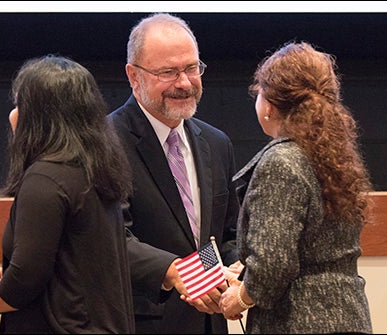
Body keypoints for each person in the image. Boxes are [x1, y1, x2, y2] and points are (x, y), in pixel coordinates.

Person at [0, 54, 138, 334]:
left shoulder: (44, 178)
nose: (14, 114)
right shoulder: (95, 172)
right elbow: (77, 267)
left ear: (38, 116)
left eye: (19, 104)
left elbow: (27, 279)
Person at [218, 41, 374, 334]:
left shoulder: (281, 161)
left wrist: (239, 297)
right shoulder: (333, 157)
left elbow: (274, 264)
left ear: (269, 106)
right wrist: (249, 269)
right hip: (350, 316)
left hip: (298, 320)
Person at [108, 13, 240, 334]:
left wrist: (235, 272)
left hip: (212, 322)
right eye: (168, 72)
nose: (184, 83)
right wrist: (177, 272)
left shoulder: (216, 142)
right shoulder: (103, 141)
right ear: (133, 76)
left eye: (192, 68)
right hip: (143, 324)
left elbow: (224, 236)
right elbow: (109, 240)